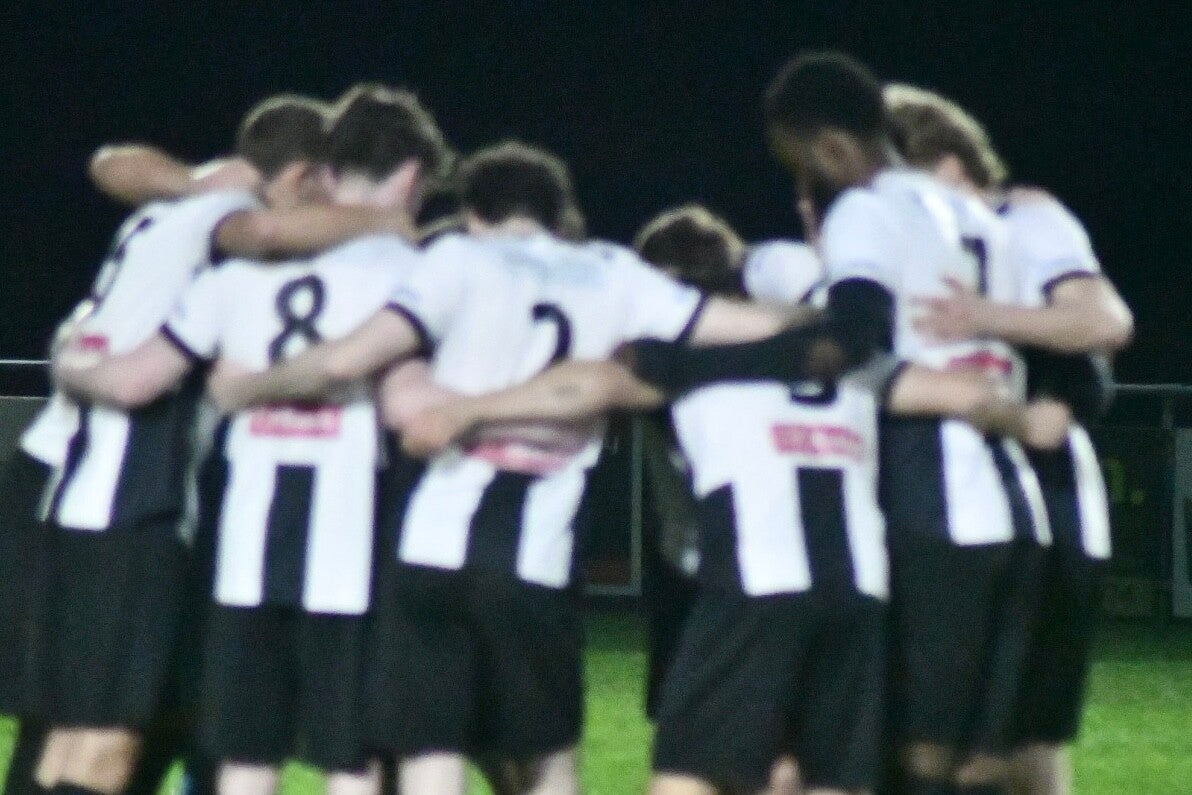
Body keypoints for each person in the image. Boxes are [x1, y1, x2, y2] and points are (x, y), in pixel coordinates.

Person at [201, 140, 818, 794]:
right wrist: (835, 313)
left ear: (474, 212)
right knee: (549, 755)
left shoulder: (456, 259)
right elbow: (745, 325)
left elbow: (344, 361)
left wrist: (248, 389)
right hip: (538, 558)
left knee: (430, 749)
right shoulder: (611, 270)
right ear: (556, 213)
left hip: (434, 546)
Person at [395, 305, 1070, 795]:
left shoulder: (692, 364)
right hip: (859, 591)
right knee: (831, 773)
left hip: (756, 586)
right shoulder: (847, 361)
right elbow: (959, 393)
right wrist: (1026, 419)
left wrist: (468, 411)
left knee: (687, 769)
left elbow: (589, 385)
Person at [52, 83, 450, 795]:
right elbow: (408, 403)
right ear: (412, 177)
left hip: (239, 547)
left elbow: (138, 376)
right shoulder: (410, 272)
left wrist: (71, 363)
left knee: (241, 752)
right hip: (348, 550)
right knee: (352, 756)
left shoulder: (236, 273)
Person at [763, 51, 1054, 794]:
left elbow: (856, 335)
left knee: (910, 754)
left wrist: (775, 352)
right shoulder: (979, 215)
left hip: (928, 496)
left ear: (832, 147)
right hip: (1017, 506)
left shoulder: (867, 210)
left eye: (801, 164)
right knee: (979, 761)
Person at [28, 93, 335, 795]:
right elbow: (260, 235)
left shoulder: (164, 214)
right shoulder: (226, 218)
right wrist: (387, 223)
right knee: (109, 740)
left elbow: (112, 165)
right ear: (301, 176)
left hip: (83, 495)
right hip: (133, 502)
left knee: (74, 730)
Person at [884, 82, 1133, 795]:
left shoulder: (1021, 216)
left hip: (1037, 488)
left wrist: (983, 316)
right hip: (938, 492)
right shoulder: (899, 240)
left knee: (1014, 746)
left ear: (950, 165)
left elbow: (1102, 321)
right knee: (918, 736)